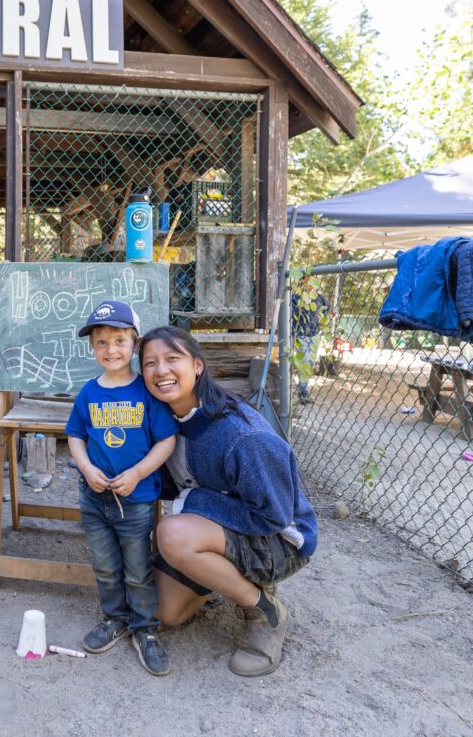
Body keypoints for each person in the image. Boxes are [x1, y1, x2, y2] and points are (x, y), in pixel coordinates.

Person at [137, 326, 317, 677]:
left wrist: (194, 501)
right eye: (150, 363)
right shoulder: (168, 420)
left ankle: (264, 611)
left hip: (280, 540)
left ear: (198, 366)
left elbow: (275, 516)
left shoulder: (241, 435)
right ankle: (223, 575)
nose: (161, 371)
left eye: (173, 359)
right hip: (222, 527)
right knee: (165, 614)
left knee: (173, 534)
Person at [65, 301, 178, 676]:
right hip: (94, 497)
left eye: (119, 340)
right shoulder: (89, 393)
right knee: (105, 565)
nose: (111, 349)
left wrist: (139, 472)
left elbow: (166, 441)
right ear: (92, 347)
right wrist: (86, 466)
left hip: (137, 499)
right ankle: (114, 618)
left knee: (136, 568)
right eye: (101, 342)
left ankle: (144, 629)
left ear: (135, 342)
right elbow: (75, 436)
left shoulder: (147, 392)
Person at [291, 279, 328, 403]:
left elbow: (326, 310)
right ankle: (303, 392)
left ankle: (303, 389)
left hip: (314, 335)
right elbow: (292, 316)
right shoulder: (296, 298)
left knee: (311, 363)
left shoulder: (319, 298)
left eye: (313, 282)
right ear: (302, 283)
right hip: (300, 335)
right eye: (307, 281)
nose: (310, 284)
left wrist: (322, 321)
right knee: (304, 362)